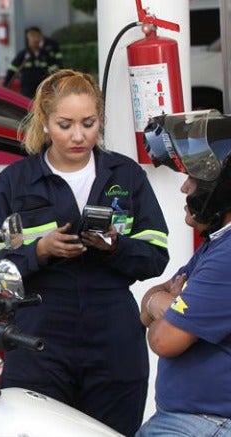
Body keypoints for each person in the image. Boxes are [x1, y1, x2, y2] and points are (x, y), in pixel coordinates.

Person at [0, 69, 169, 436]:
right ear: (45, 123)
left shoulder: (125, 176)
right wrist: (39, 252)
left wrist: (115, 246)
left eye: (89, 123)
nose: (78, 136)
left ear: (101, 121)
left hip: (113, 334)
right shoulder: (14, 182)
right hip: (38, 335)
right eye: (65, 124)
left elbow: (156, 254)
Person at [136, 113, 231, 437]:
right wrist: (162, 304)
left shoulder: (228, 256)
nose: (184, 188)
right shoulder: (217, 243)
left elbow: (163, 340)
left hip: (205, 424)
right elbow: (150, 301)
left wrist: (162, 306)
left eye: (193, 179)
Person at [2, 26, 62, 98]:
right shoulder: (23, 55)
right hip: (26, 91)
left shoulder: (46, 55)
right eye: (32, 36)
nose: (35, 39)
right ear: (28, 38)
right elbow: (12, 70)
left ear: (41, 38)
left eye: (37, 36)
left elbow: (56, 70)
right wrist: (5, 86)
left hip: (43, 90)